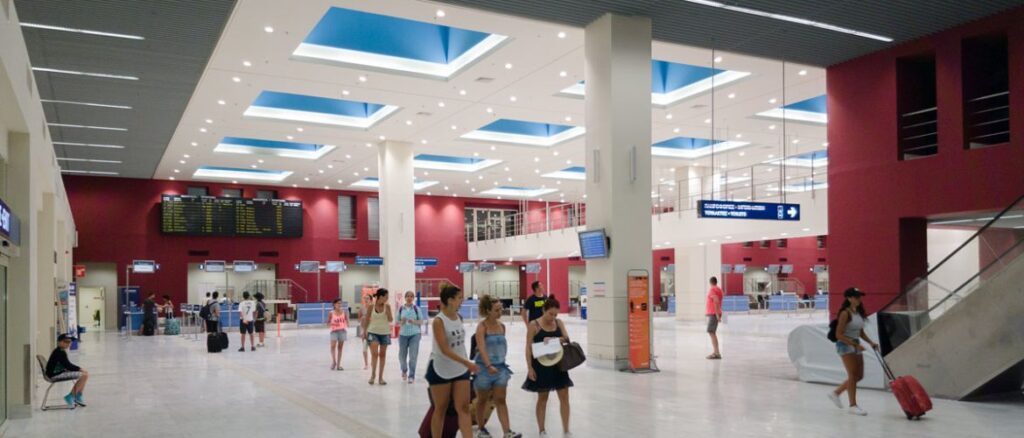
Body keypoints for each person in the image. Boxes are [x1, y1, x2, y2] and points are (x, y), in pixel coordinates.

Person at [427, 285, 479, 438]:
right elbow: (444, 349)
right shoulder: (438, 321)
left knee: (463, 408)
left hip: (460, 369)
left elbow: (460, 344)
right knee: (440, 409)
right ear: (450, 300)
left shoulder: (459, 318)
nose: (461, 301)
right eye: (459, 298)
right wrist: (467, 363)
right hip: (441, 369)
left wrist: (465, 364)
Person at [523, 298, 572, 437]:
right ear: (544, 310)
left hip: (559, 364)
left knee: (564, 397)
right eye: (551, 314)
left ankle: (566, 429)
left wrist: (554, 340)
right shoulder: (534, 325)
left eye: (556, 315)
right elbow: (528, 347)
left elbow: (567, 338)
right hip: (541, 366)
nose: (553, 317)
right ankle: (542, 430)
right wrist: (529, 368)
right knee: (543, 398)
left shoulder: (558, 323)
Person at [474, 295, 521, 438]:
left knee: (501, 400)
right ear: (488, 311)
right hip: (483, 369)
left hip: (500, 368)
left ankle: (507, 431)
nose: (500, 312)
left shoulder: (502, 327)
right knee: (482, 400)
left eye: (501, 309)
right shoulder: (482, 327)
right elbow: (481, 348)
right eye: (497, 310)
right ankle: (481, 429)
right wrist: (488, 365)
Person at [828, 287, 879, 416]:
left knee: (859, 376)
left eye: (860, 297)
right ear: (849, 298)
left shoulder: (858, 312)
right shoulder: (845, 313)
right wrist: (854, 345)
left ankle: (836, 393)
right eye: (856, 297)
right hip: (845, 345)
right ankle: (853, 405)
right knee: (852, 375)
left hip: (855, 344)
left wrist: (871, 342)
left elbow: (860, 332)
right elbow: (839, 334)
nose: (859, 299)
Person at [46, 334, 89, 407]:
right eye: (66, 342)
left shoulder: (60, 351)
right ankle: (71, 396)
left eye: (70, 342)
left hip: (58, 372)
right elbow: (68, 365)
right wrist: (80, 369)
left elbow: (67, 365)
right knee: (84, 375)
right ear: (59, 342)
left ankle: (78, 395)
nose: (68, 344)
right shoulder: (59, 352)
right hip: (54, 375)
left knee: (85, 374)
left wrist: (79, 369)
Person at [362, 288, 393, 385]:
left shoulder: (387, 306)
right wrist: (364, 331)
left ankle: (381, 377)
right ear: (380, 296)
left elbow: (391, 319)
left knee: (382, 355)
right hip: (373, 332)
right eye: (386, 297)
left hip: (385, 333)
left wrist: (388, 312)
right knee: (374, 354)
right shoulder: (371, 306)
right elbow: (367, 319)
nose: (387, 298)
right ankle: (373, 375)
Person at [397, 290, 423, 384]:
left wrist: (414, 322)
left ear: (413, 298)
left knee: (413, 356)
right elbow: (397, 322)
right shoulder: (401, 309)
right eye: (407, 296)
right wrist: (402, 322)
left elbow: (421, 321)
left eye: (411, 296)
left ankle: (411, 375)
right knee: (402, 356)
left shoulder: (416, 309)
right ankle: (404, 370)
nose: (409, 298)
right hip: (403, 335)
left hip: (415, 334)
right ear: (405, 298)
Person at [705, 277, 724, 360]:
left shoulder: (712, 289)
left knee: (711, 331)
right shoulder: (719, 289)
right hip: (714, 313)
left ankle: (717, 353)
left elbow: (716, 301)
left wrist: (716, 314)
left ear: (710, 282)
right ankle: (716, 352)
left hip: (713, 314)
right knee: (711, 332)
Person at [328, 298, 349, 370]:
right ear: (334, 304)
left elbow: (346, 320)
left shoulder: (344, 312)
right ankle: (334, 361)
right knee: (332, 346)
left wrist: (347, 324)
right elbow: (328, 322)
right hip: (334, 331)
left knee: (340, 348)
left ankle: (338, 365)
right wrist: (333, 323)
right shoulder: (331, 313)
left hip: (342, 331)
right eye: (338, 303)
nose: (339, 305)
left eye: (340, 303)